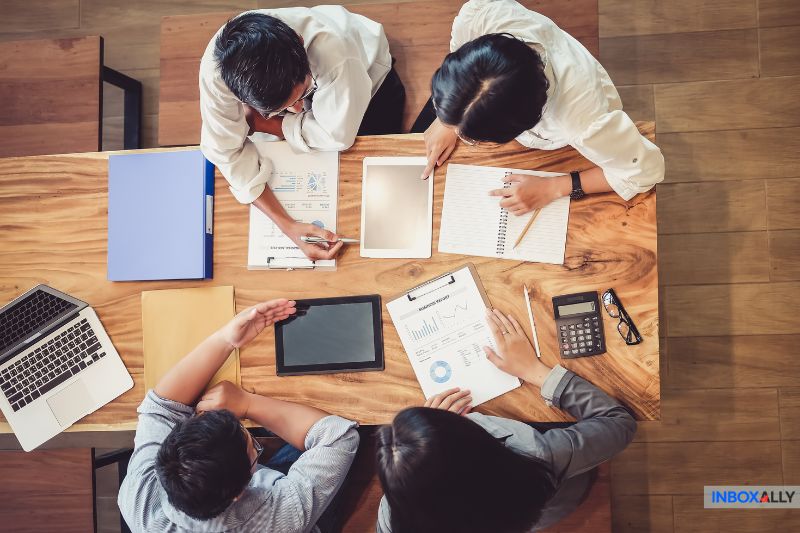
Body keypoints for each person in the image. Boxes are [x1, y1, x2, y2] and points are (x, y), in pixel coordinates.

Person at [375, 308, 637, 533]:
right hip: (550, 499)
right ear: (473, 437)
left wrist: (422, 448)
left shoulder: (393, 517)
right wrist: (535, 371)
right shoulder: (538, 454)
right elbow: (618, 423)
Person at [117, 299, 360, 532]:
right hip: (288, 515)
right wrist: (247, 403)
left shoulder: (139, 498)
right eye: (253, 447)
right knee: (352, 426)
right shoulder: (281, 518)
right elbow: (339, 436)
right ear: (242, 490)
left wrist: (225, 339)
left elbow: (162, 408)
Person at [415, 0, 665, 215]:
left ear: (524, 123)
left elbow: (644, 172)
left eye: (471, 136)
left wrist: (554, 187)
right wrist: (452, 115)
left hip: (577, 121)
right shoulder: (481, 16)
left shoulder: (583, 123)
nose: (459, 133)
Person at [200, 8, 405, 260]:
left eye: (301, 95)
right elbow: (224, 152)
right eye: (281, 109)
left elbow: (337, 136)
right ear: (238, 96)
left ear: (299, 41)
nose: (297, 111)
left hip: (368, 76)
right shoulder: (217, 76)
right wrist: (287, 226)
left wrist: (267, 124)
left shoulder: (335, 52)